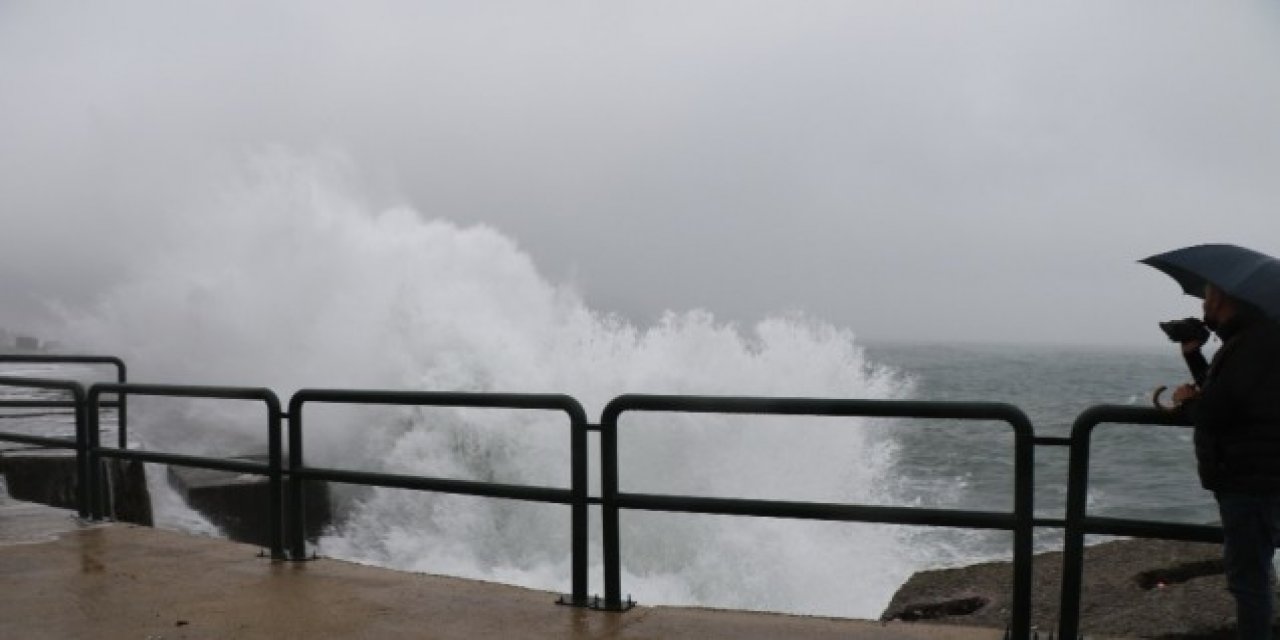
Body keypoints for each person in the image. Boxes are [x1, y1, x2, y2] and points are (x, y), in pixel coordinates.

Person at [1172, 283, 1280, 639]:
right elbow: (1230, 394)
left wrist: (1188, 402)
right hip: (1252, 478)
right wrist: (1193, 354)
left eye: (1206, 295)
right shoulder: (1253, 340)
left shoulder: (1254, 345)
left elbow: (1218, 412)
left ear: (1221, 298)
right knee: (1249, 577)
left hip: (1251, 483)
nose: (1203, 303)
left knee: (1249, 583)